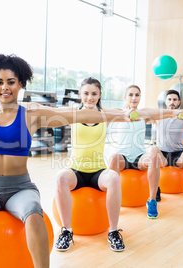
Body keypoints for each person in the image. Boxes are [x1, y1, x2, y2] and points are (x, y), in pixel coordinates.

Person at [0, 55, 129, 268]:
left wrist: (122, 115)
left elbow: (77, 115)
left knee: (33, 214)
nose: (5, 87)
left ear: (20, 84)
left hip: (20, 189)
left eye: (11, 82)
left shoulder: (31, 114)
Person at [54, 77, 138, 252]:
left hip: (97, 171)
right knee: (61, 177)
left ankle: (113, 232)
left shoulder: (105, 115)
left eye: (94, 93)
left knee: (114, 177)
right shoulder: (73, 113)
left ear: (100, 95)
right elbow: (48, 111)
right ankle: (67, 231)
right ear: (80, 94)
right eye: (86, 93)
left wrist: (131, 113)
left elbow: (131, 111)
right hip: (75, 171)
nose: (90, 97)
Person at [107, 85, 183, 219]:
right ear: (125, 97)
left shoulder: (144, 114)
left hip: (139, 156)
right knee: (114, 157)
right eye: (131, 95)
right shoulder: (118, 113)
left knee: (153, 156)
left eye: (137, 95)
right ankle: (113, 200)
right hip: (122, 156)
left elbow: (168, 112)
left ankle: (152, 201)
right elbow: (100, 112)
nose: (134, 98)